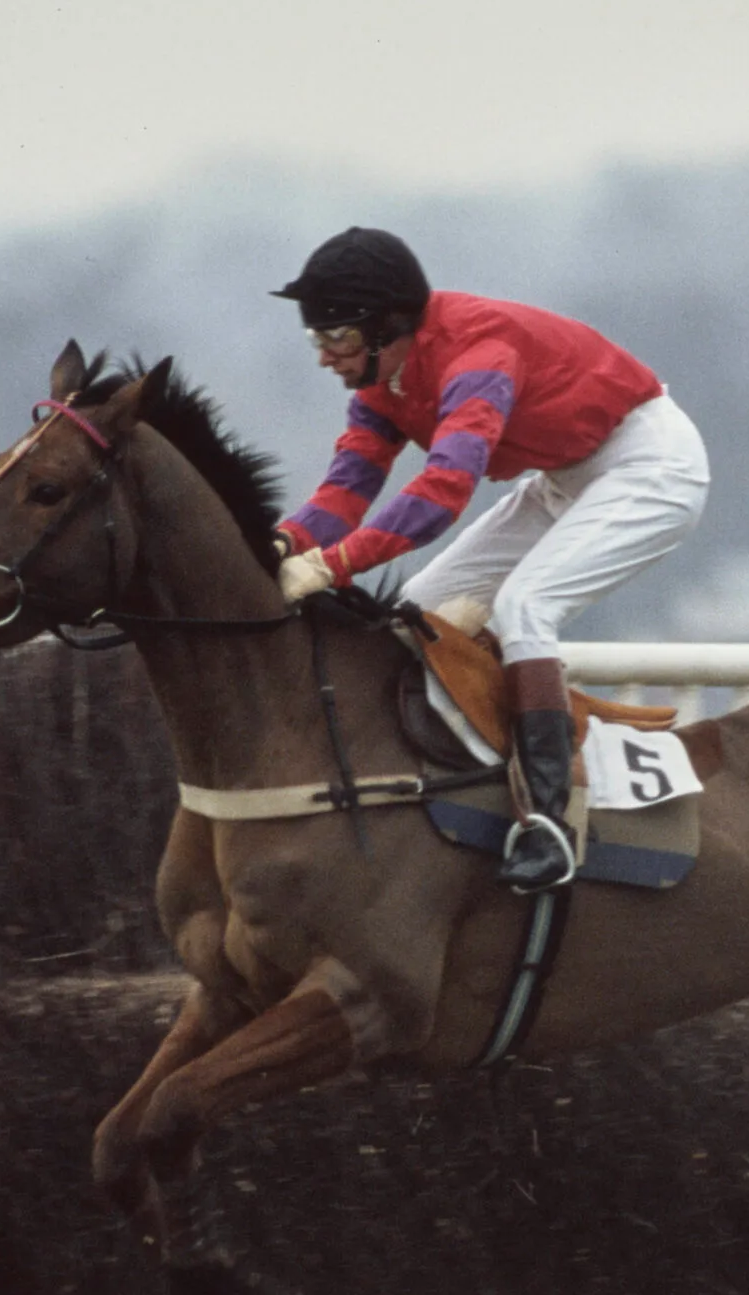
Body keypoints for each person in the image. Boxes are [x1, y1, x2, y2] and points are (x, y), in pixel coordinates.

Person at [270, 226, 710, 891]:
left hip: (652, 465)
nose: (326, 357)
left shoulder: (479, 352)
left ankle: (551, 822)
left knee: (525, 607)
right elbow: (348, 486)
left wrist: (334, 568)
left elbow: (444, 492)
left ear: (389, 327)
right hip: (567, 475)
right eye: (316, 340)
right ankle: (460, 786)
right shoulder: (383, 380)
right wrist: (283, 543)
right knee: (417, 612)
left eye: (336, 339)